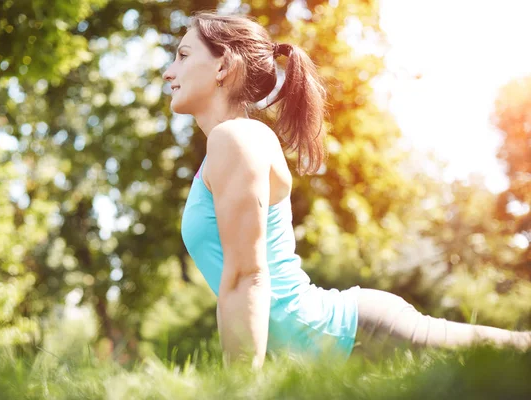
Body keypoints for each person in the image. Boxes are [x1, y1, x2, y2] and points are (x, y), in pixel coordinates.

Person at [162, 11, 531, 368]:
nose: (169, 72)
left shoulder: (236, 138)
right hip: (329, 350)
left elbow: (247, 275)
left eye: (183, 55)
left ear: (223, 66)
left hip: (359, 334)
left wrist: (239, 389)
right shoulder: (223, 149)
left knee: (514, 356)